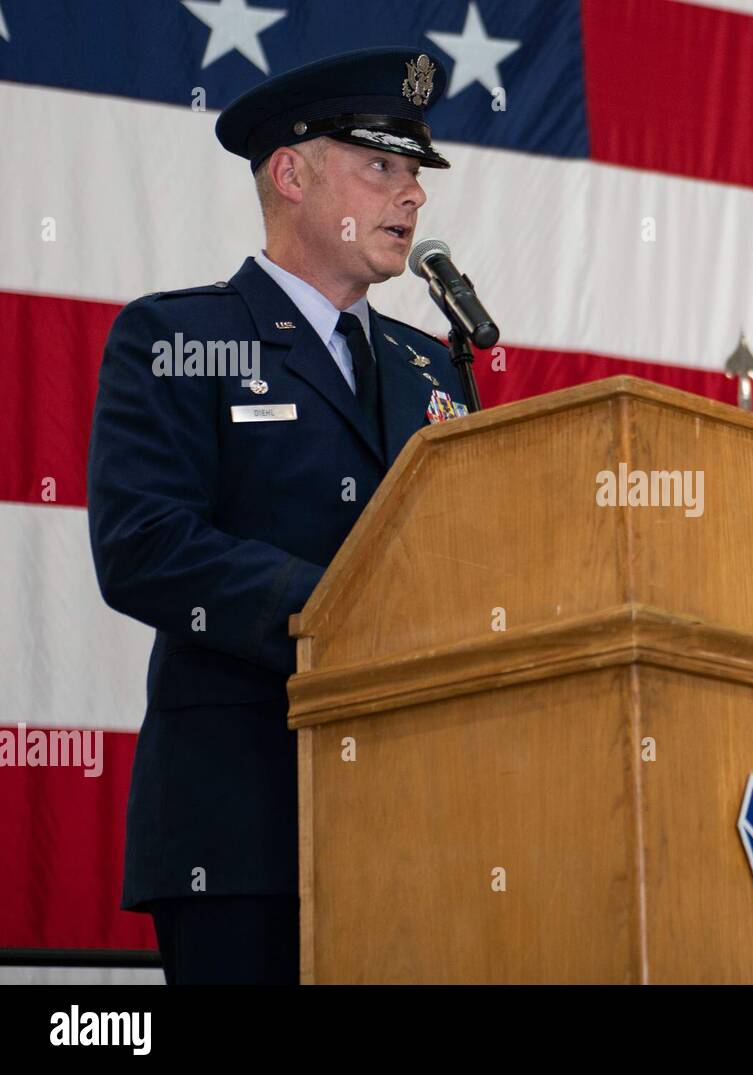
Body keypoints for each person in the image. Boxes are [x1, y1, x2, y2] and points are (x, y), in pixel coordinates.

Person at [86, 46, 468, 984]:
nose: (411, 194)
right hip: (242, 827)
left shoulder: (435, 367)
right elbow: (145, 544)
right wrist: (345, 616)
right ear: (291, 174)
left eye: (414, 171)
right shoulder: (184, 338)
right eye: (381, 164)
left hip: (422, 823)